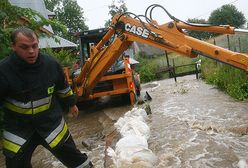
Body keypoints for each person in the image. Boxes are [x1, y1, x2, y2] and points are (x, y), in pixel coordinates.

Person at [0, 27, 93, 168]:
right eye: (24, 47)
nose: (31, 51)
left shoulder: (51, 64)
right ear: (13, 46)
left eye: (34, 46)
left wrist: (71, 104)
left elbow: (63, 87)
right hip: (18, 131)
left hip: (51, 125)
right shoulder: (3, 71)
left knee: (78, 162)